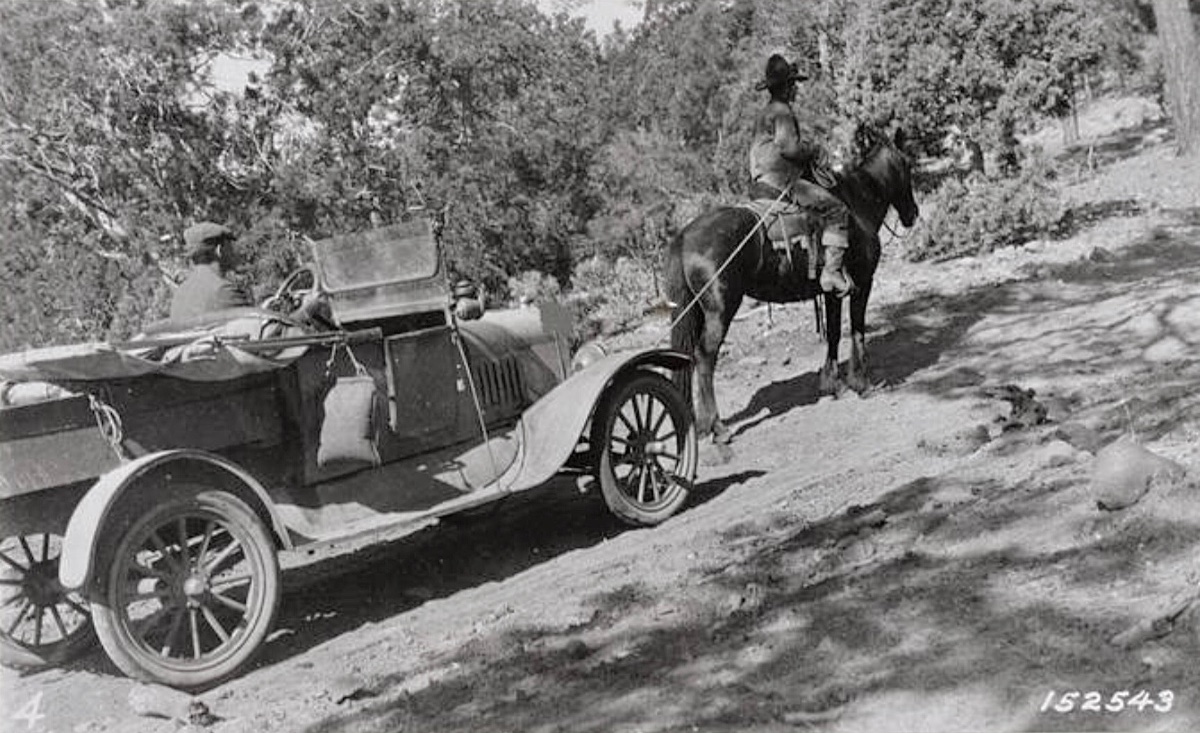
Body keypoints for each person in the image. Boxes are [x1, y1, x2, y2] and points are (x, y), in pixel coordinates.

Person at [749, 53, 852, 296]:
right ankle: (832, 272)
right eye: (793, 85)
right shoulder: (783, 111)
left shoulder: (764, 113)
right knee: (837, 210)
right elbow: (789, 148)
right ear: (786, 88)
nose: (796, 89)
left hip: (760, 182)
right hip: (782, 182)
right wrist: (814, 150)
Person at [169, 221, 254, 321]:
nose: (234, 252)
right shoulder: (224, 292)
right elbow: (252, 325)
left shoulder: (179, 294)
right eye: (230, 246)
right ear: (219, 250)